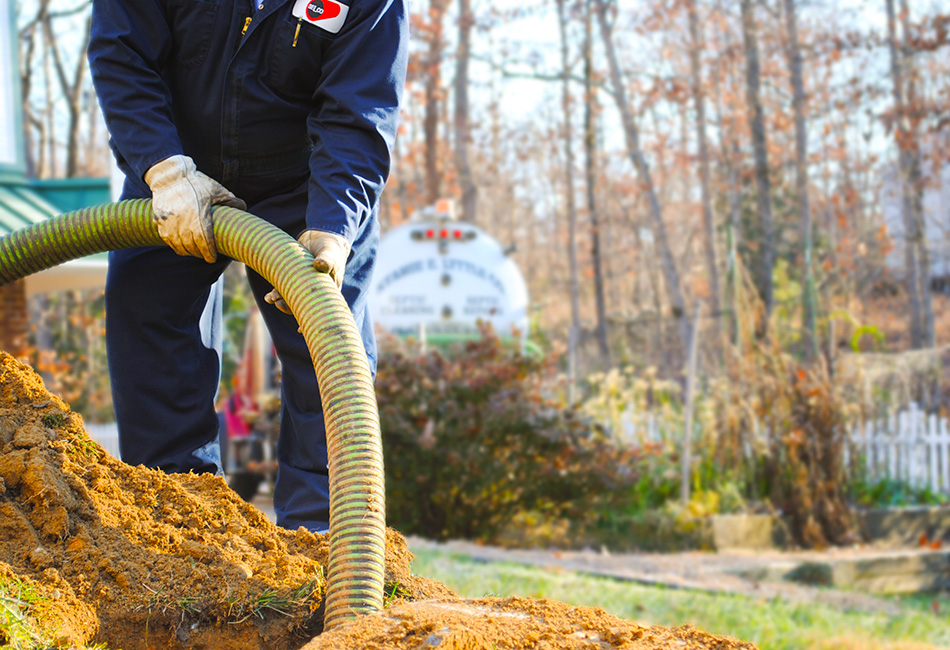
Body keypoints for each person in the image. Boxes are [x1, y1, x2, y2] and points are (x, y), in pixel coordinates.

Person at [87, 0, 408, 533]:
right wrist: (162, 169)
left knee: (327, 342)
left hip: (307, 186)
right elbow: (123, 54)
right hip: (180, 176)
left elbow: (358, 114)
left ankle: (324, 546)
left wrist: (334, 228)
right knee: (145, 309)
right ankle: (177, 524)